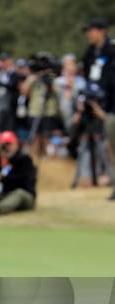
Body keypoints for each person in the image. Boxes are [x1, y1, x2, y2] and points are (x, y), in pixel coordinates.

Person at [82, 18, 115, 200]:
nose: (89, 34)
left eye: (92, 30)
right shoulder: (90, 52)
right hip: (98, 107)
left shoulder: (112, 50)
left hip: (111, 108)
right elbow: (90, 80)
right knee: (109, 148)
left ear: (102, 31)